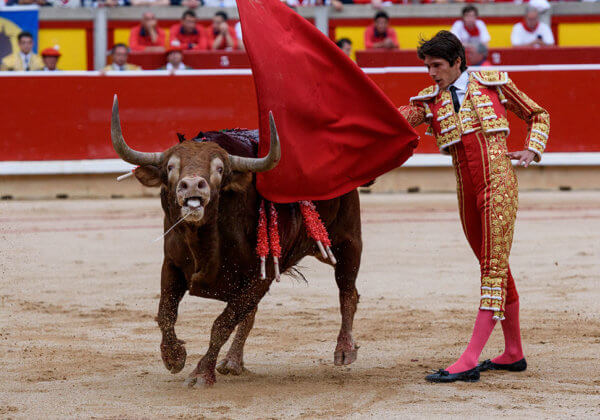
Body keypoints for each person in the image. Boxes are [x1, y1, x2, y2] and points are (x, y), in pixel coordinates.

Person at [398, 31, 549, 383]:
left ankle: (469, 359)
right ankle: (513, 352)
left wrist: (532, 148)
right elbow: (396, 121)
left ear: (457, 62)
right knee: (492, 264)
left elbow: (538, 114)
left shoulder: (493, 84)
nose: (431, 73)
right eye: (427, 67)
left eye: (437, 66)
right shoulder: (429, 100)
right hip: (466, 192)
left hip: (498, 186)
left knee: (492, 270)